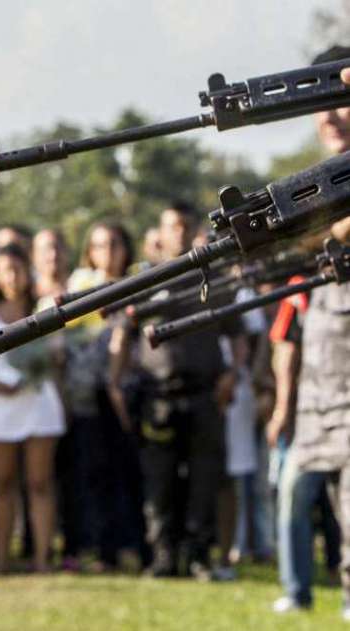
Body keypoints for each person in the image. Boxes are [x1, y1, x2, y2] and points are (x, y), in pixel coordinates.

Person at [110, 202, 244, 581]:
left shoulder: (212, 279)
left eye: (186, 226)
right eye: (173, 226)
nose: (180, 233)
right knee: (159, 480)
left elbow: (238, 337)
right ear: (161, 233)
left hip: (205, 394)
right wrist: (115, 382)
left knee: (205, 479)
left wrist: (233, 374)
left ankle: (199, 555)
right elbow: (122, 334)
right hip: (157, 397)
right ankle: (164, 556)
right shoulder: (145, 279)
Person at [269, 45, 350, 619]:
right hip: (320, 377)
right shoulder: (314, 184)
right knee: (294, 493)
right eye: (318, 106)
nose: (327, 117)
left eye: (338, 101)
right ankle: (297, 590)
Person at [0, 244, 66, 573]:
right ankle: (1, 559)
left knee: (40, 483)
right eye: (5, 270)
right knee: (1, 483)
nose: (12, 277)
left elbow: (56, 352)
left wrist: (37, 369)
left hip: (38, 399)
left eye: (17, 269)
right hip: (0, 403)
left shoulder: (40, 305)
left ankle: (43, 559)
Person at [67, 222, 147, 571]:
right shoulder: (80, 285)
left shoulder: (138, 279)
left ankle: (136, 545)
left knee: (130, 471)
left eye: (114, 243)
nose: (108, 251)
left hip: (131, 390)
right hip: (90, 393)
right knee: (96, 471)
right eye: (100, 245)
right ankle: (104, 549)